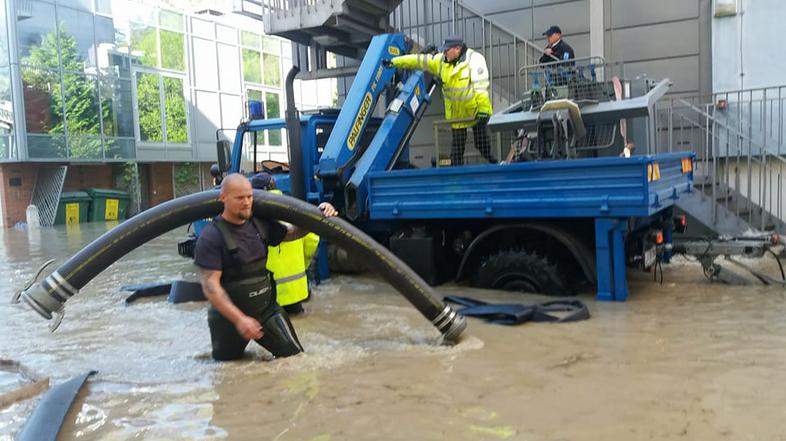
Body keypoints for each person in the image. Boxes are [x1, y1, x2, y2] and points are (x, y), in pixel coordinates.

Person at [194, 173, 337, 361]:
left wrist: (319, 214)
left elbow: (292, 234)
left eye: (249, 197)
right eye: (239, 198)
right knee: (227, 371)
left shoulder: (259, 224)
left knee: (295, 360)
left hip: (266, 310)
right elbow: (211, 286)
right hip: (228, 320)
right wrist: (240, 320)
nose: (246, 202)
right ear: (223, 198)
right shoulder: (211, 237)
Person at [385, 35, 496, 166]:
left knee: (482, 145)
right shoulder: (441, 61)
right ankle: (457, 180)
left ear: (457, 48)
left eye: (447, 50)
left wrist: (483, 110)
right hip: (457, 116)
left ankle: (495, 164)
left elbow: (480, 87)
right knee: (456, 154)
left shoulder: (475, 60)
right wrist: (394, 62)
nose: (444, 53)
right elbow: (417, 60)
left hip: (476, 113)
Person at [250, 172, 320, 316]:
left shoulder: (251, 214)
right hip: (296, 291)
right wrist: (304, 265)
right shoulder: (293, 207)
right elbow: (312, 239)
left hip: (267, 294)